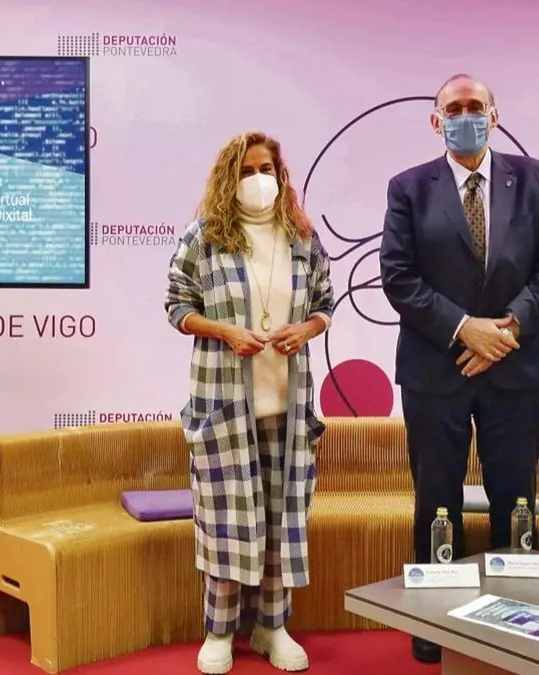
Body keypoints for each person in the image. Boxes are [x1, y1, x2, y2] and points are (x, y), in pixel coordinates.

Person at [379, 73, 539, 664]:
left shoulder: (535, 179)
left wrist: (504, 331)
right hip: (436, 371)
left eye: (476, 106)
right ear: (436, 121)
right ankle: (437, 618)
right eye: (454, 108)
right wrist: (466, 329)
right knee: (437, 497)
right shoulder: (408, 188)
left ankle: (520, 617)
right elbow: (398, 277)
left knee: (516, 496)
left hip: (514, 367)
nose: (466, 116)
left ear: (495, 114)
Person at [165, 131, 335, 674]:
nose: (258, 180)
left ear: (281, 176)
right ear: (228, 178)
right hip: (224, 409)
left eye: (266, 169)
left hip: (288, 408)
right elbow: (176, 305)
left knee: (282, 522)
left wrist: (307, 329)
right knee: (225, 523)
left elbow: (325, 302)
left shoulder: (302, 237)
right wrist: (224, 331)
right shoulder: (204, 237)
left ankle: (272, 627)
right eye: (245, 170)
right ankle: (218, 631)